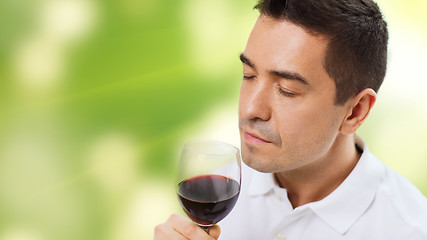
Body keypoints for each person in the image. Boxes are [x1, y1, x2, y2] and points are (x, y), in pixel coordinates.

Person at [154, 0, 427, 239]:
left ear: (355, 111)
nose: (250, 109)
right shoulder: (218, 188)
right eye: (248, 74)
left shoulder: (409, 230)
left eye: (287, 90)